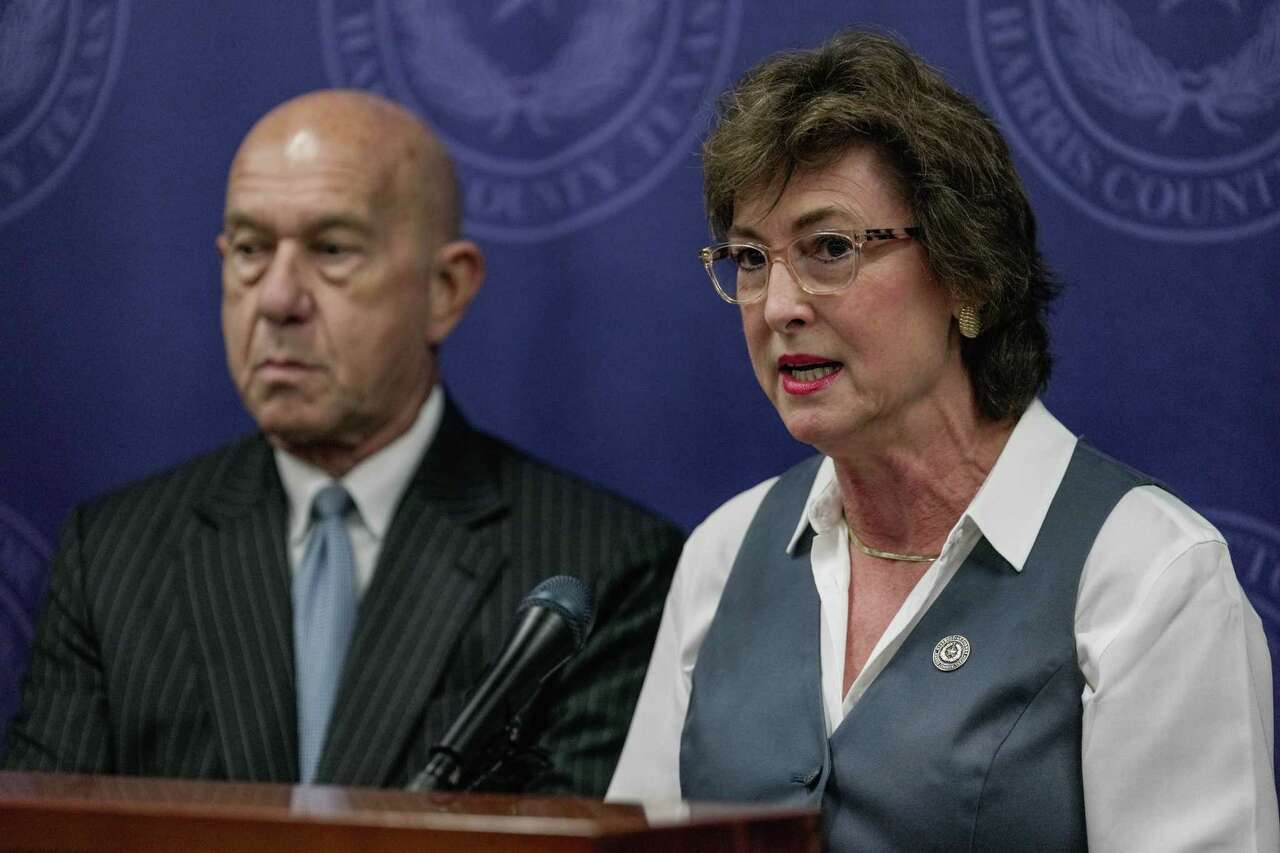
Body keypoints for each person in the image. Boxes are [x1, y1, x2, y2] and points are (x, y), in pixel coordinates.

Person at [606, 30, 1277, 850]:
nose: (778, 304)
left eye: (829, 249)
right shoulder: (723, 553)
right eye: (750, 257)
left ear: (967, 272)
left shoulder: (1148, 577)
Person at [5, 90, 683, 795]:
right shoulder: (111, 555)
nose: (276, 298)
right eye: (249, 250)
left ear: (446, 289)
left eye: (331, 249)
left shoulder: (603, 569)